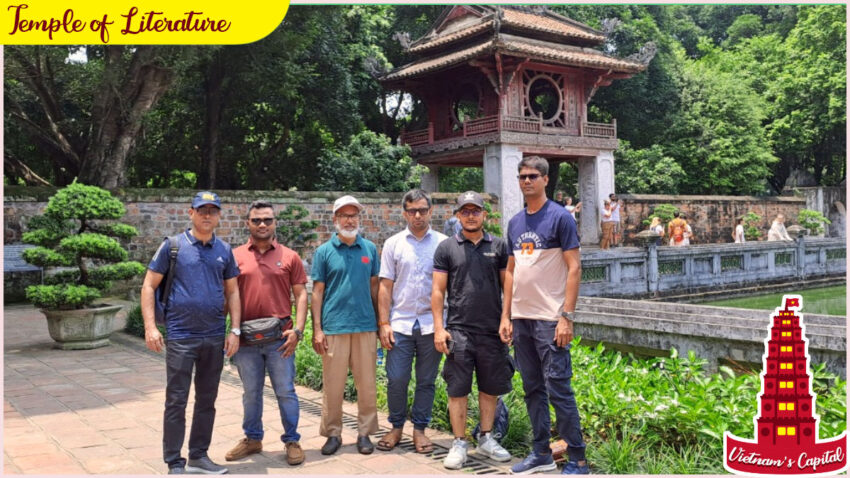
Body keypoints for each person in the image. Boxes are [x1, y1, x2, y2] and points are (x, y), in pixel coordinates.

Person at [140, 191, 241, 475]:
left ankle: (199, 455)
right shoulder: (173, 247)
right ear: (191, 213)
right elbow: (148, 286)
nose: (207, 215)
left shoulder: (224, 250)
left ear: (219, 215)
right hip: (181, 336)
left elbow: (233, 292)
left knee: (207, 399)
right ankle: (174, 461)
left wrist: (234, 329)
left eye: (212, 210)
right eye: (202, 210)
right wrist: (150, 326)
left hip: (213, 336)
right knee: (176, 399)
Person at [502, 156, 589, 475]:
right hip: (522, 319)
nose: (526, 181)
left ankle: (578, 458)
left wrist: (567, 316)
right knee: (532, 388)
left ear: (545, 179)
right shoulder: (514, 223)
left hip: (550, 319)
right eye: (522, 176)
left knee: (558, 388)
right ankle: (540, 452)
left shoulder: (560, 218)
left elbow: (574, 267)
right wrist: (505, 316)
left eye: (533, 176)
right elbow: (510, 272)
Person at [431, 191, 513, 470]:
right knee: (458, 390)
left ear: (484, 215)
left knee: (490, 389)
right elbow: (437, 291)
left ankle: (487, 437)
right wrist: (439, 328)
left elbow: (507, 285)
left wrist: (506, 318)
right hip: (458, 331)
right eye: (465, 211)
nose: (470, 215)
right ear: (458, 215)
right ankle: (459, 442)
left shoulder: (499, 246)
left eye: (475, 210)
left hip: (491, 331)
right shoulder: (446, 248)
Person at [226, 200, 308, 466]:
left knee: (285, 391)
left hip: (280, 339)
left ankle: (292, 440)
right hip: (247, 339)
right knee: (251, 392)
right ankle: (253, 438)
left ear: (275, 223)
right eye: (256, 220)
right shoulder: (235, 256)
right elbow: (229, 294)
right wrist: (232, 332)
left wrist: (298, 329)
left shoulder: (290, 256)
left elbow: (301, 293)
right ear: (248, 223)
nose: (262, 224)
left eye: (268, 220)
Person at [376, 190, 447, 453]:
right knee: (396, 378)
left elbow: (449, 287)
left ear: (431, 211)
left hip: (431, 324)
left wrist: (444, 326)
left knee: (426, 380)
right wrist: (383, 323)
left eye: (422, 210)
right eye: (412, 210)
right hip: (401, 324)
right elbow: (385, 286)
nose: (417, 215)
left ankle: (419, 429)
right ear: (404, 212)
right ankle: (396, 426)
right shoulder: (394, 244)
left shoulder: (443, 243)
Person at [311, 195, 380, 456]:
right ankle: (332, 433)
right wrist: (317, 329)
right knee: (333, 385)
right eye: (344, 215)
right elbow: (317, 292)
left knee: (367, 384)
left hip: (365, 326)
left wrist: (381, 323)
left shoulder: (370, 249)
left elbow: (375, 288)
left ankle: (365, 433)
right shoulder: (324, 252)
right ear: (335, 219)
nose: (350, 220)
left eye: (354, 215)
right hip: (334, 327)